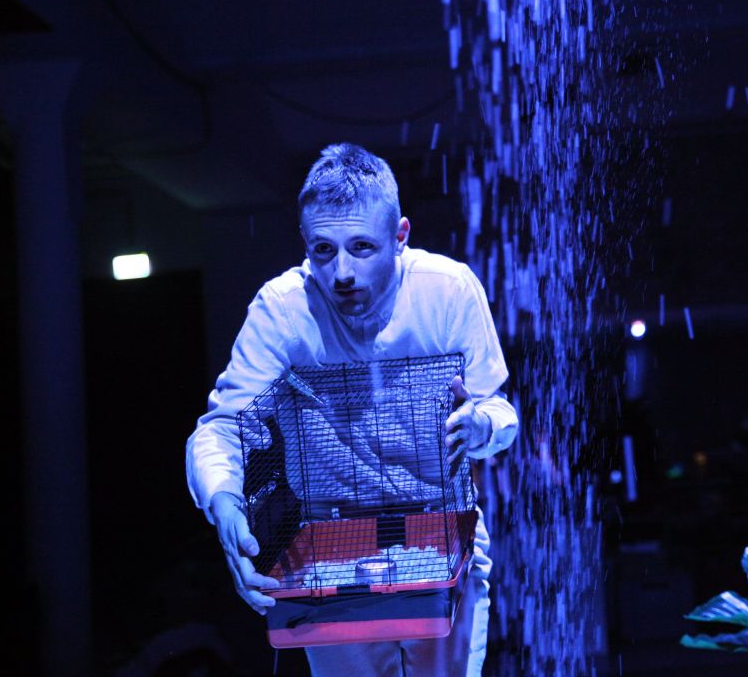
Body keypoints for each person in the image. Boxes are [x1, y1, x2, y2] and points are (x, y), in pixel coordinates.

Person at [185, 142, 518, 676]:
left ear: (401, 236)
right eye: (323, 250)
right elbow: (222, 427)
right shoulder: (283, 309)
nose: (341, 272)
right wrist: (224, 502)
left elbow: (499, 411)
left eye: (362, 247)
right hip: (329, 557)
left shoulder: (449, 291)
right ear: (305, 243)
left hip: (443, 545)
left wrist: (481, 424)